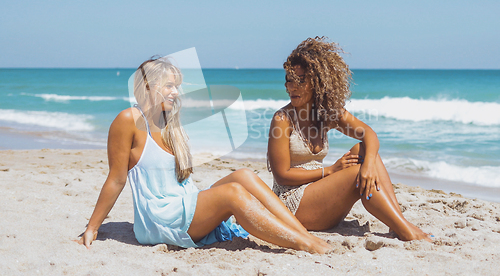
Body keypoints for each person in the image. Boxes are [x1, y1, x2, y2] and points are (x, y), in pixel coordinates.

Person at [78, 56, 331, 254]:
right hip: (160, 217)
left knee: (243, 176)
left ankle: (303, 234)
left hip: (183, 204)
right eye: (169, 86)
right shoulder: (129, 120)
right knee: (233, 194)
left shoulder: (168, 123)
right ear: (148, 86)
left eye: (176, 87)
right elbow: (116, 179)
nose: (175, 92)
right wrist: (92, 228)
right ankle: (303, 244)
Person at [267, 37, 432, 241]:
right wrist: (330, 170)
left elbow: (368, 133)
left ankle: (398, 223)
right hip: (291, 203)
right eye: (289, 80)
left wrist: (369, 164)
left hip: (320, 197)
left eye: (301, 80)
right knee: (356, 174)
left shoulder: (325, 112)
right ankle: (405, 230)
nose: (293, 86)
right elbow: (282, 175)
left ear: (316, 82)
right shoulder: (282, 119)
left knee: (363, 152)